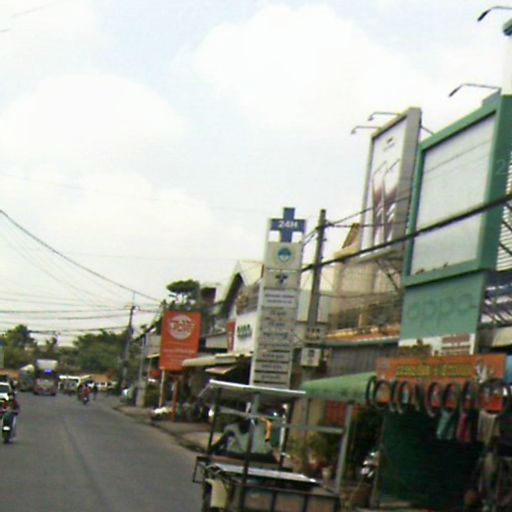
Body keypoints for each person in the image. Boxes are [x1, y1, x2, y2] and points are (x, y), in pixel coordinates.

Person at [209, 416, 274, 462]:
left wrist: (211, 449)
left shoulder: (233, 428)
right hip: (262, 457)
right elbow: (269, 448)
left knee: (226, 453)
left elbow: (220, 442)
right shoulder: (260, 428)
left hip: (248, 456)